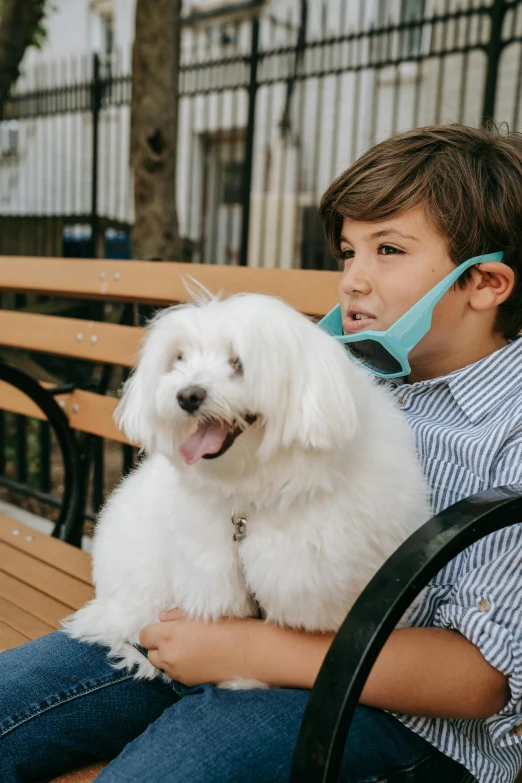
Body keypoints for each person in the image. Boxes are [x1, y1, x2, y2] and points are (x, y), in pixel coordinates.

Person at [2, 123, 522, 783]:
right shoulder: (327, 374)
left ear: (484, 283)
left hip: (397, 715)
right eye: (346, 252)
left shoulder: (511, 425)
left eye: (387, 249)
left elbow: (480, 678)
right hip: (213, 632)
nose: (353, 281)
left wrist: (246, 647)